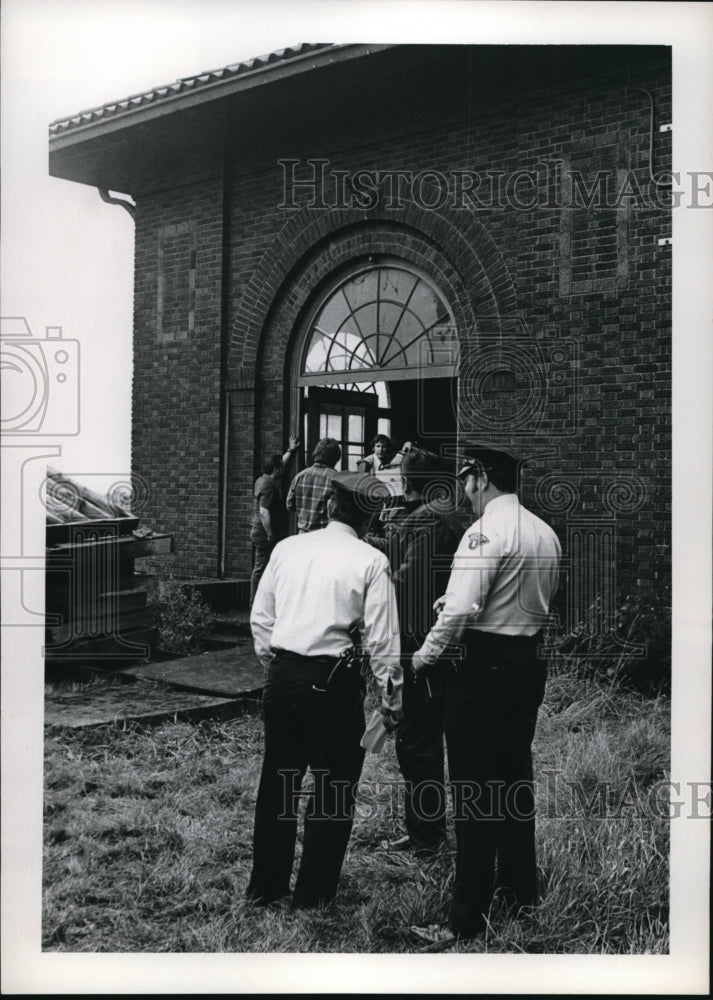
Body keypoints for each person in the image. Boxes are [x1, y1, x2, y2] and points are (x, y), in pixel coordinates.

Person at [409, 443, 562, 945]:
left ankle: (465, 918)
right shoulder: (544, 532)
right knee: (514, 775)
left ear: (479, 478)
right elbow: (519, 601)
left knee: (473, 788)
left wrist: (424, 657)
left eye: (466, 480)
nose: (464, 491)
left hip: (481, 672)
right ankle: (521, 892)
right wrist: (455, 602)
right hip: (527, 665)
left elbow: (461, 613)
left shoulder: (483, 532)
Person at [247, 471, 403, 909]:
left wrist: (275, 665)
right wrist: (391, 702)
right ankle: (313, 895)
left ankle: (265, 887)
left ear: (331, 507)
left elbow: (261, 618)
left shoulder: (286, 548)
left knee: (278, 781)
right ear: (370, 522)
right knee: (333, 787)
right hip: (333, 684)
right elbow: (383, 641)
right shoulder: (371, 560)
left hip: (282, 676)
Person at [377, 448, 464, 855]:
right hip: (444, 642)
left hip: (420, 644)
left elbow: (405, 582)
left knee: (417, 743)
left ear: (411, 482)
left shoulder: (427, 519)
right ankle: (426, 831)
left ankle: (426, 837)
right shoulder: (445, 514)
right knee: (428, 740)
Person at [249, 435, 299, 602]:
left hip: (258, 530)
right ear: (276, 469)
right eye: (281, 468)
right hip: (264, 532)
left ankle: (260, 600)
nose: (283, 470)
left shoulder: (262, 479)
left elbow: (281, 463)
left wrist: (290, 450)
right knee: (261, 568)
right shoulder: (269, 485)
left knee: (265, 566)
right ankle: (254, 601)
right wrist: (270, 533)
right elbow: (264, 511)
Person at [286, 437, 341, 532]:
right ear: (336, 458)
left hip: (303, 535)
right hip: (324, 536)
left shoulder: (300, 476)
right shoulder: (337, 479)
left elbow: (290, 505)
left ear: (316, 454)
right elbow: (340, 511)